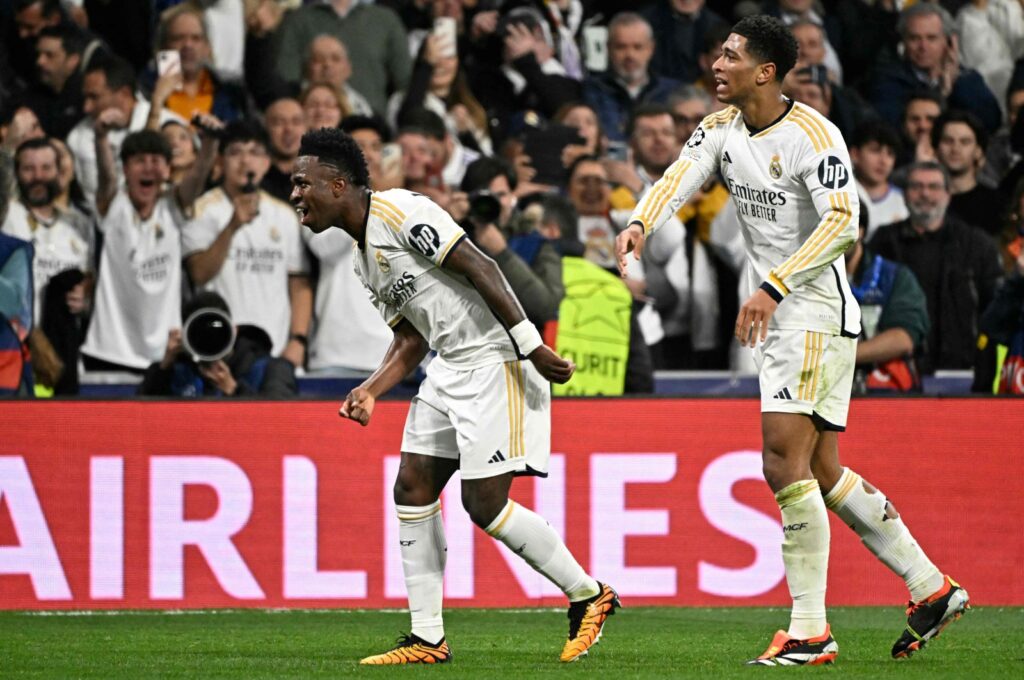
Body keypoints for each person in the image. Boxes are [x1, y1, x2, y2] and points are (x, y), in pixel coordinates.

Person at [615, 15, 968, 665]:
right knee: (822, 471)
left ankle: (810, 629)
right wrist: (640, 222)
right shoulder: (720, 127)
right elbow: (679, 175)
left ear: (766, 72)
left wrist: (772, 286)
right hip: (785, 313)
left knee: (782, 463)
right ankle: (929, 585)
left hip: (809, 311)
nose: (716, 64)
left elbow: (843, 224)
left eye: (730, 56)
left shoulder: (815, 135)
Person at [290, 127, 619, 665]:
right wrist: (371, 389)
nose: (296, 195)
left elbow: (480, 265)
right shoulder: (362, 259)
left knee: (483, 504)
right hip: (448, 367)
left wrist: (531, 347)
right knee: (412, 486)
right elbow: (411, 336)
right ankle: (427, 638)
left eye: (303, 183)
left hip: (497, 358)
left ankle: (588, 595)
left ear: (338, 183)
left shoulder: (400, 212)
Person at [81, 122, 218, 373]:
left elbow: (197, 179)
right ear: (125, 168)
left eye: (156, 160)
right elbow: (106, 177)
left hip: (165, 351)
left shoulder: (173, 207)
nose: (148, 167)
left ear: (167, 170)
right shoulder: (114, 206)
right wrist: (101, 138)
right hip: (108, 349)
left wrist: (209, 143)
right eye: (139, 161)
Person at [183, 121, 311, 366]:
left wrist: (298, 340)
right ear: (220, 162)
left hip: (276, 351)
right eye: (236, 152)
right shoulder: (201, 210)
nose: (246, 161)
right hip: (218, 350)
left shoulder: (284, 215)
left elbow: (298, 283)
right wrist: (232, 226)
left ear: (267, 163)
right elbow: (198, 274)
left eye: (255, 152)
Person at [869, 161, 1003, 373]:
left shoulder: (977, 244)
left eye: (933, 187)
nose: (925, 194)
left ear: (948, 194)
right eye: (916, 187)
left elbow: (993, 309)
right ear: (904, 195)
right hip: (896, 370)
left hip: (964, 369)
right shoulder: (882, 242)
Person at [1, 138, 93, 325]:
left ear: (60, 172)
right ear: (16, 174)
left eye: (46, 168)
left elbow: (91, 278)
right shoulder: (8, 216)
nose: (38, 176)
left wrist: (87, 296)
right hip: (15, 342)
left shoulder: (80, 224)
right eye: (28, 169)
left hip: (64, 343)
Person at [138, 291, 298, 398]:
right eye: (200, 334)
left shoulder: (270, 369)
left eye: (217, 330)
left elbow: (280, 424)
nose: (210, 338)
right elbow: (138, 423)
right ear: (187, 336)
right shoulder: (177, 371)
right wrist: (163, 368)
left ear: (233, 330)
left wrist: (234, 390)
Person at [583, 12, 681, 143]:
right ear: (608, 48)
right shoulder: (591, 91)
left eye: (637, 47)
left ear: (651, 48)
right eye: (621, 47)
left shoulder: (673, 92)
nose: (630, 55)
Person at [932, 109, 1007, 238]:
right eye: (948, 141)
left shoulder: (996, 204)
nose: (955, 149)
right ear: (936, 149)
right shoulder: (923, 197)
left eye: (965, 142)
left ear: (978, 151)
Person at [849, 120, 908, 239]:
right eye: (875, 150)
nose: (883, 161)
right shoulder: (838, 194)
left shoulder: (904, 202)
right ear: (855, 154)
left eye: (890, 154)